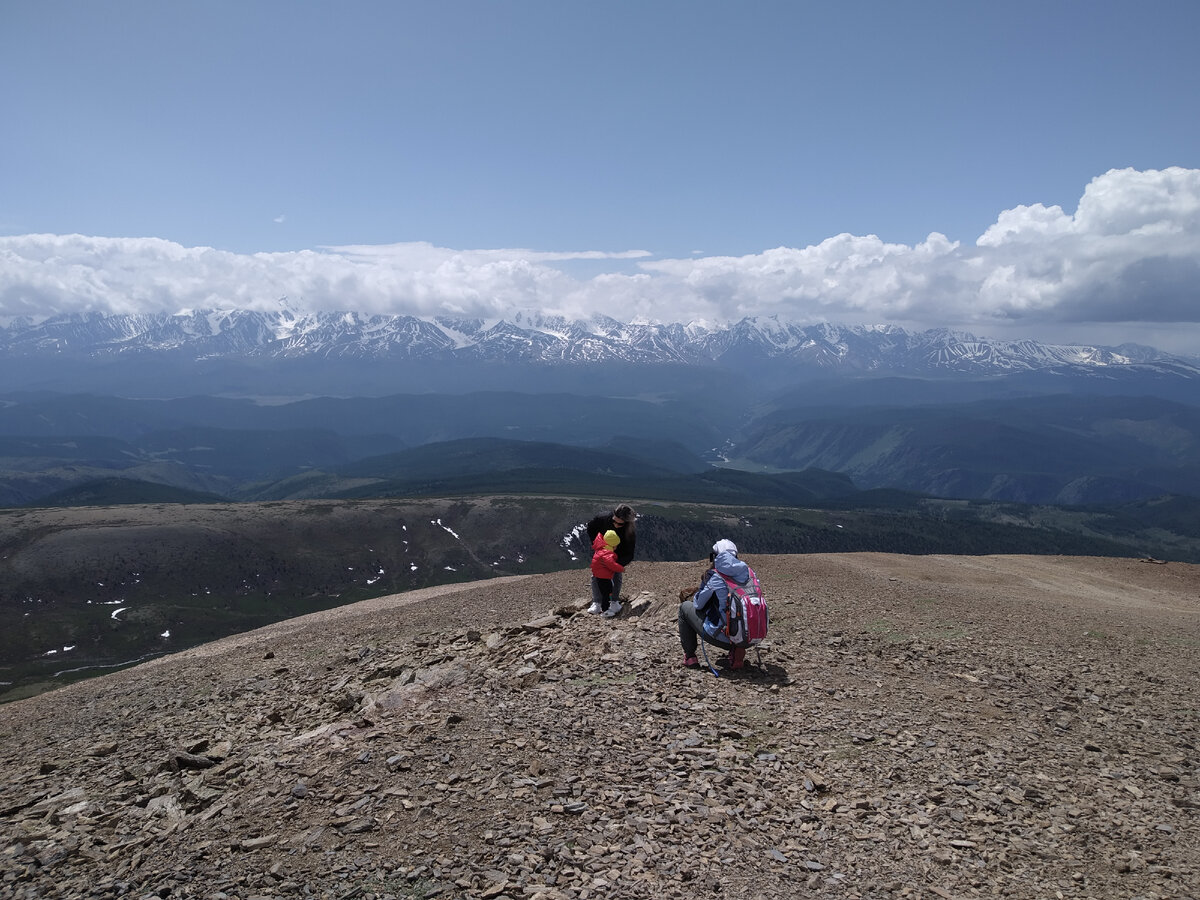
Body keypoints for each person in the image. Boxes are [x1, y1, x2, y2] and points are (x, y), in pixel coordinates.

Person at [679, 538, 749, 670]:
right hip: (751, 637)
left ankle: (690, 657)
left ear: (715, 557)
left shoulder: (715, 576)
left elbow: (698, 605)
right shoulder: (749, 573)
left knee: (684, 608)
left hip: (724, 637)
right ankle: (737, 649)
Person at [585, 504, 636, 607]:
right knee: (597, 574)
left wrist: (615, 564)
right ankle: (597, 602)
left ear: (627, 523)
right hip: (602, 550)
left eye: (620, 524)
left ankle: (614, 601)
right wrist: (596, 544)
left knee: (616, 574)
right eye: (614, 521)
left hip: (619, 553)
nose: (616, 525)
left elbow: (629, 553)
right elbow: (590, 528)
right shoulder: (602, 518)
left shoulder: (630, 532)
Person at [587, 529, 625, 618]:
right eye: (615, 545)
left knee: (604, 592)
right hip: (605, 577)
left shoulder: (600, 550)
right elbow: (612, 565)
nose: (616, 548)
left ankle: (598, 605)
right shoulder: (607, 554)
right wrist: (621, 569)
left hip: (598, 576)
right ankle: (606, 610)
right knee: (607, 593)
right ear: (611, 545)